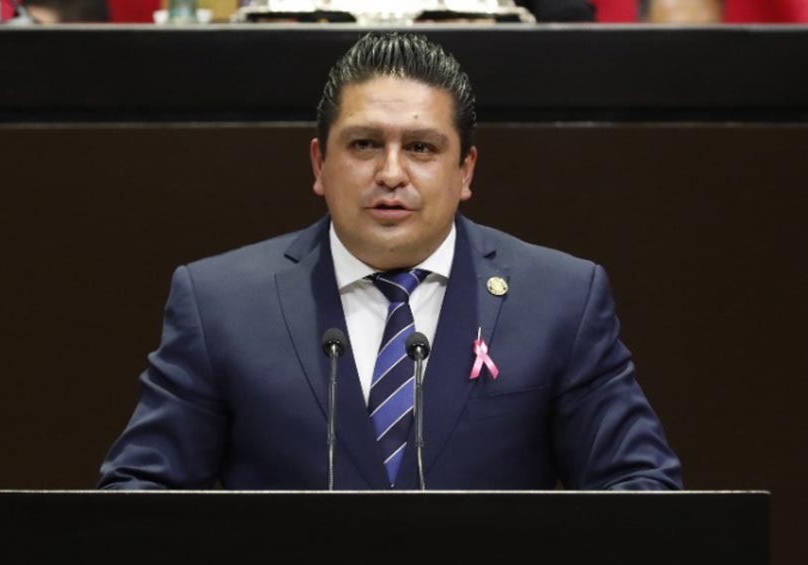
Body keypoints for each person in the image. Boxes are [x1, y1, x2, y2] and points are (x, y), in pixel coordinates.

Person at [99, 32, 681, 491]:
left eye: (421, 148)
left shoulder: (559, 299)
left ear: (466, 171)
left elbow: (640, 487)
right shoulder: (221, 303)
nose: (392, 173)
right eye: (365, 144)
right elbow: (140, 491)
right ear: (319, 165)